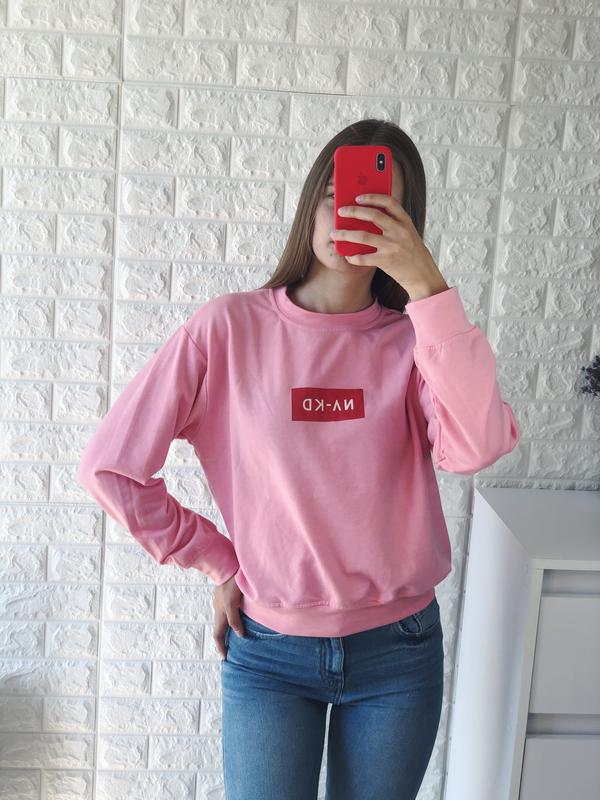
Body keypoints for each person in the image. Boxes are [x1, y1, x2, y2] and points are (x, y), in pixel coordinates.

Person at [76, 118, 520, 800]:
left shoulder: (417, 345)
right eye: (339, 196)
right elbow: (111, 468)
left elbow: (477, 447)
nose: (354, 216)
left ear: (408, 228)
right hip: (269, 652)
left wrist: (429, 289)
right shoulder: (227, 329)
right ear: (311, 204)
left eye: (382, 206)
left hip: (398, 652)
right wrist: (220, 559)